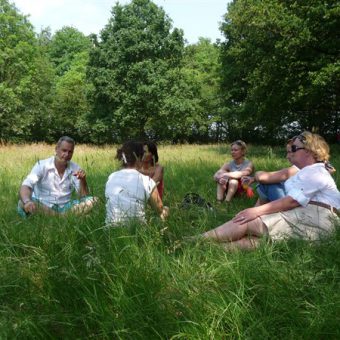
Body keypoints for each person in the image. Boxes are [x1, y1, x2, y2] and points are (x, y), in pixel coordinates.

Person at [197, 131, 340, 249]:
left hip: (317, 215)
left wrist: (255, 211)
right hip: (321, 226)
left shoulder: (315, 171)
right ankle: (208, 248)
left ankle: (194, 241)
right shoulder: (311, 171)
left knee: (245, 221)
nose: (290, 153)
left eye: (294, 148)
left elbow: (291, 202)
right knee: (259, 241)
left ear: (309, 151)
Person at [18, 136, 97, 217]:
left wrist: (83, 180)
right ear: (56, 149)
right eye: (64, 150)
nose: (67, 154)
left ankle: (58, 216)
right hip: (43, 205)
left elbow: (83, 196)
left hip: (65, 207)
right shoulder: (42, 165)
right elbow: (27, 185)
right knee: (22, 203)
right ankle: (64, 217)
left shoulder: (75, 168)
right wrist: (27, 201)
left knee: (94, 200)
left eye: (70, 152)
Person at [105, 141, 169, 226]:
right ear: (139, 157)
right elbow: (159, 209)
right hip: (138, 231)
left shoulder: (111, 177)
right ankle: (162, 232)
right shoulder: (146, 180)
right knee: (165, 209)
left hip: (111, 231)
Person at [242, 139, 299, 206]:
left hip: (293, 206)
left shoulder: (296, 168)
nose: (287, 156)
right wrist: (254, 179)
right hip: (295, 201)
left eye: (289, 152)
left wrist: (257, 174)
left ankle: (254, 213)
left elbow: (262, 177)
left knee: (266, 184)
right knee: (271, 183)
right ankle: (256, 212)